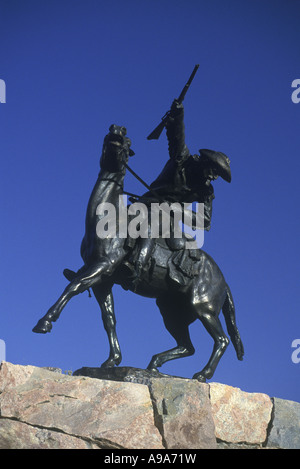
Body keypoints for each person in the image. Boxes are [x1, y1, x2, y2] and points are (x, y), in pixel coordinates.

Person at [129, 99, 231, 288]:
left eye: (219, 175)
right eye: (215, 171)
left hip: (167, 218)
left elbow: (205, 220)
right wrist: (178, 114)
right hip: (146, 203)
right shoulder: (182, 160)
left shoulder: (205, 190)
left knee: (150, 222)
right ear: (207, 163)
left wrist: (174, 210)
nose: (215, 177)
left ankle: (137, 267)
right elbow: (177, 137)